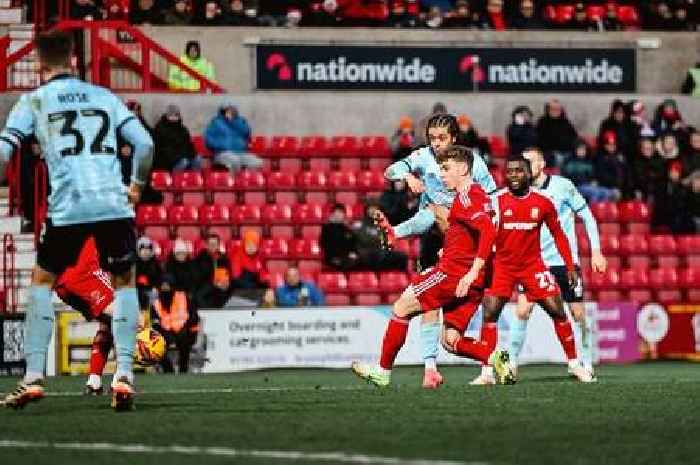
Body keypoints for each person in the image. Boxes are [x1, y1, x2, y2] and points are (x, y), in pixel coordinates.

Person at [0, 31, 154, 411]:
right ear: (73, 60)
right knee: (124, 283)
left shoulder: (34, 100)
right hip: (113, 205)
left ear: (40, 65)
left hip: (69, 208)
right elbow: (146, 144)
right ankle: (124, 377)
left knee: (42, 281)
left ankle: (33, 377)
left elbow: (5, 150)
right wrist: (134, 187)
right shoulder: (104, 96)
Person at [351, 145, 512, 388]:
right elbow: (476, 233)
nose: (441, 175)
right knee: (450, 339)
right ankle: (493, 357)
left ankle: (383, 372)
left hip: (453, 274)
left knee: (402, 306)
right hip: (471, 279)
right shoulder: (475, 196)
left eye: (446, 169)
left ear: (463, 168)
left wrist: (470, 271)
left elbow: (488, 231)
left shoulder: (467, 195)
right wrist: (453, 252)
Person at [374, 113, 496, 389]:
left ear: (454, 138)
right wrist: (406, 176)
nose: (436, 144)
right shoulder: (422, 158)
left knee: (421, 300)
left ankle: (477, 362)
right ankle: (430, 368)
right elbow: (389, 171)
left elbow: (492, 200)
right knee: (428, 303)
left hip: (462, 242)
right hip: (433, 237)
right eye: (432, 138)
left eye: (442, 138)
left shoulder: (470, 164)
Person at [473, 156, 594, 385]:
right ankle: (486, 372)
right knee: (489, 314)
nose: (514, 175)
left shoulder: (543, 202)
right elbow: (482, 233)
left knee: (558, 311)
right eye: (510, 172)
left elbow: (559, 234)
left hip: (533, 267)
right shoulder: (495, 201)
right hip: (503, 267)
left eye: (519, 171)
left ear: (529, 174)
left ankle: (575, 364)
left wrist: (569, 265)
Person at [509, 148, 606, 379]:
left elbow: (587, 216)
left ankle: (586, 361)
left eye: (528, 162)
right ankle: (511, 364)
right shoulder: (520, 192)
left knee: (578, 313)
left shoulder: (563, 186)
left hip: (566, 263)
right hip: (534, 263)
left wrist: (596, 251)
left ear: (541, 164)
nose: (522, 168)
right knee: (523, 309)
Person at [151, 274, 199, 373]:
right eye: (163, 286)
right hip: (166, 334)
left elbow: (194, 317)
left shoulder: (183, 298)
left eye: (167, 286)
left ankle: (183, 370)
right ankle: (168, 370)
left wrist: (184, 328)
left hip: (185, 331)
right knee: (155, 345)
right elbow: (155, 324)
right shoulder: (156, 304)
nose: (165, 289)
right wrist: (166, 334)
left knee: (184, 339)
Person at [204, 103, 263, 172]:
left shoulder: (240, 121)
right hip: (222, 153)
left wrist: (234, 120)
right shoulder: (215, 123)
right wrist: (223, 146)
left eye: (232, 110)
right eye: (228, 110)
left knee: (257, 162)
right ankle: (233, 181)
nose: (231, 112)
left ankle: (246, 179)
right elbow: (208, 140)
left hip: (240, 152)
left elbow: (246, 132)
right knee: (234, 161)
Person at [152, 104, 202, 172]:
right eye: (172, 115)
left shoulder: (182, 129)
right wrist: (181, 156)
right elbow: (163, 150)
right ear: (167, 115)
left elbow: (189, 145)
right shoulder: (160, 129)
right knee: (184, 162)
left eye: (176, 115)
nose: (174, 117)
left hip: (181, 156)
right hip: (166, 161)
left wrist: (192, 155)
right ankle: (177, 180)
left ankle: (193, 180)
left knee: (198, 159)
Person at [536, 99, 578, 167]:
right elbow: (540, 140)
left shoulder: (565, 122)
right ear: (548, 110)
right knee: (558, 158)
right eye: (553, 109)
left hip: (566, 151)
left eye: (558, 109)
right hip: (549, 153)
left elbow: (574, 137)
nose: (555, 111)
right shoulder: (542, 122)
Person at [320, 203, 362, 271]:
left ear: (344, 215)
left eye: (340, 213)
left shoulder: (347, 228)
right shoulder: (327, 228)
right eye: (336, 212)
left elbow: (353, 242)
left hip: (347, 256)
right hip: (333, 257)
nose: (338, 215)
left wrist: (353, 253)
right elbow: (324, 244)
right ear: (332, 214)